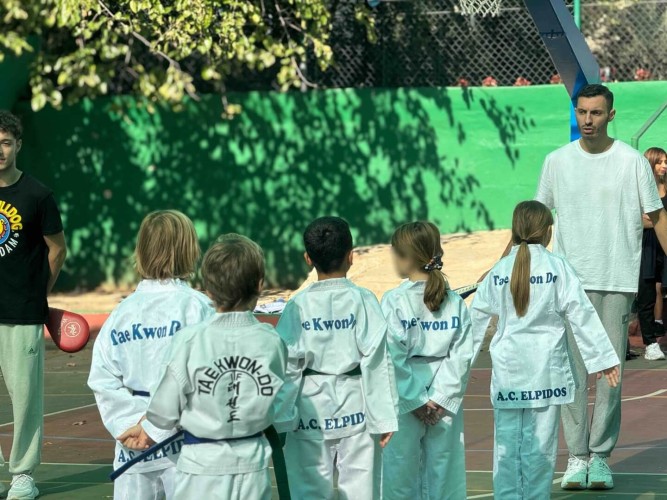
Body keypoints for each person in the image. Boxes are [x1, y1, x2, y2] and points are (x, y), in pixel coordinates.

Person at [485, 84, 667, 490]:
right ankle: (577, 456)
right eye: (582, 112)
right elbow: (533, 221)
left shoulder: (632, 162)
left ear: (610, 115)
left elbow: (656, 216)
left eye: (596, 113)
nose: (588, 120)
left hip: (616, 281)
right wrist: (504, 262)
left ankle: (599, 456)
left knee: (609, 373)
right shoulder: (557, 161)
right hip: (566, 285)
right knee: (571, 373)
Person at [472, 201, 620, 499]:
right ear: (548, 232)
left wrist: (452, 374)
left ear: (514, 231)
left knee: (506, 448)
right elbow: (582, 313)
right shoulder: (557, 268)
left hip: (508, 374)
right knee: (540, 450)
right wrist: (603, 359)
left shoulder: (498, 271)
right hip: (546, 373)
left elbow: (474, 323)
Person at [120, 234, 287, 500]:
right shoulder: (271, 341)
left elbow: (163, 412)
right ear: (260, 284)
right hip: (252, 464)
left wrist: (149, 429)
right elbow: (279, 403)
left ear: (207, 289)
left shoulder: (189, 341)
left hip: (201, 467)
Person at [88, 210, 214, 500]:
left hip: (133, 444)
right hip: (186, 444)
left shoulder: (121, 314)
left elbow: (103, 380)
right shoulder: (199, 308)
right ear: (189, 250)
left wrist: (130, 424)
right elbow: (208, 376)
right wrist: (156, 426)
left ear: (141, 250)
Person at [272, 216, 398, 500]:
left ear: (308, 259)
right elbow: (377, 361)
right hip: (358, 412)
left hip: (309, 414)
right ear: (351, 256)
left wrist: (281, 418)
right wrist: (384, 418)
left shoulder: (297, 305)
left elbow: (287, 366)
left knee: (307, 493)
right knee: (362, 492)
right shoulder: (363, 300)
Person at [380, 221, 479, 500]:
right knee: (444, 472)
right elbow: (461, 356)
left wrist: (416, 400)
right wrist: (439, 398)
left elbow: (390, 356)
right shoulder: (454, 302)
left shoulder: (393, 301)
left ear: (405, 257)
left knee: (399, 473)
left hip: (404, 400)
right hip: (443, 401)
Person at [0, 110, 67, 499]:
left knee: (24, 400)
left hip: (22, 312)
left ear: (18, 145)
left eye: (6, 143)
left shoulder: (38, 195)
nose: (0, 151)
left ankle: (23, 474)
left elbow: (57, 249)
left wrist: (39, 291)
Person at [637, 147, 667, 360]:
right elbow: (636, 221)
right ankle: (650, 343)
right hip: (647, 247)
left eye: (666, 161)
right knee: (646, 295)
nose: (664, 165)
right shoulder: (640, 191)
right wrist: (657, 222)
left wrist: (652, 220)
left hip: (663, 246)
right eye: (660, 162)